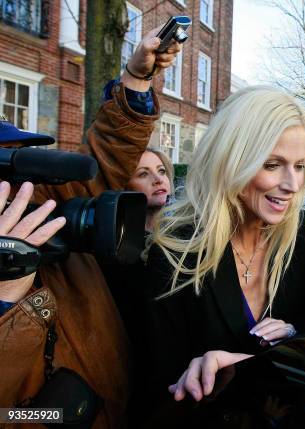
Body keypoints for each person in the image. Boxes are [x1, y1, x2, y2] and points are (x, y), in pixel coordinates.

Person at [0, 28, 181, 427]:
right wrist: (8, 296)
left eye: (21, 159)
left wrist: (136, 78)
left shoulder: (48, 200)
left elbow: (107, 155)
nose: (19, 187)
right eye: (7, 167)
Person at [140, 86, 305, 408]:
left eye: (299, 166)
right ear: (231, 159)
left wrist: (294, 336)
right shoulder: (175, 251)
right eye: (271, 165)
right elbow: (158, 383)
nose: (293, 185)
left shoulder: (302, 235)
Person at [127, 148, 175, 231]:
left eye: (161, 171)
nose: (159, 180)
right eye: (143, 174)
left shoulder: (189, 227)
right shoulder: (115, 233)